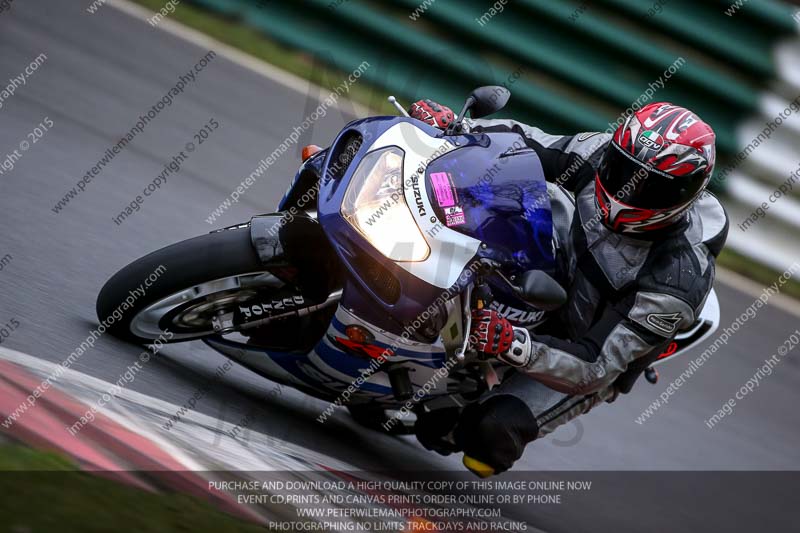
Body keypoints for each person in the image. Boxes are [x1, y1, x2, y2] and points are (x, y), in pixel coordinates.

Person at [408, 99, 729, 475]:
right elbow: (525, 143)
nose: (626, 189)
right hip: (559, 269)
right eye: (623, 168)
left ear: (683, 197)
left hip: (585, 342)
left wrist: (512, 342)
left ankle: (464, 411)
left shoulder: (675, 277)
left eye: (651, 188)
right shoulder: (598, 153)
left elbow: (594, 364)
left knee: (484, 435)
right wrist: (460, 129)